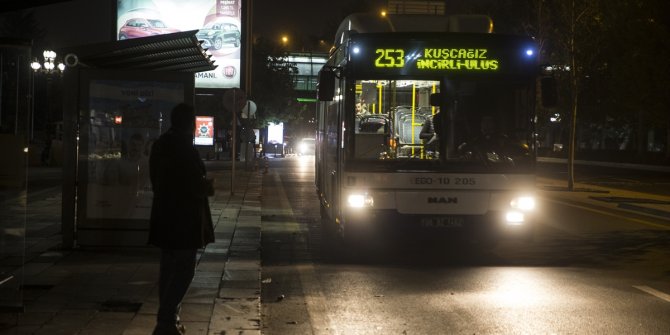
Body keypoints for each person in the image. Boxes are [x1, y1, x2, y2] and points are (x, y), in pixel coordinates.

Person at [148, 103, 215, 335]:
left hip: (164, 215)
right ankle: (166, 319)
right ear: (189, 124)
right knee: (185, 270)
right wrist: (206, 187)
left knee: (168, 269)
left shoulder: (161, 144)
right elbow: (192, 184)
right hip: (183, 219)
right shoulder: (184, 148)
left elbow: (155, 178)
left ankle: (169, 319)